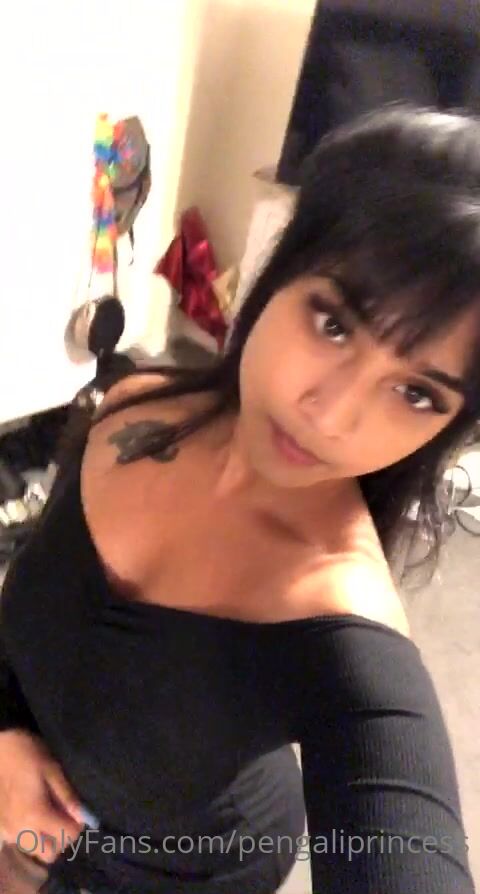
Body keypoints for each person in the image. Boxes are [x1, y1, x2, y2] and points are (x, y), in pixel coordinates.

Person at [0, 104, 478, 894]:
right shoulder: (134, 403)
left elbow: (404, 842)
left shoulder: (342, 627)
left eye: (417, 393)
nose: (333, 415)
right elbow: (33, 615)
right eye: (333, 323)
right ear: (280, 268)